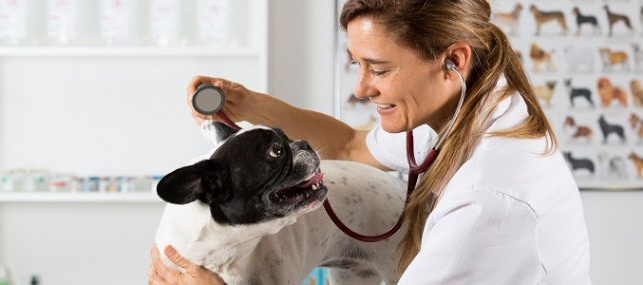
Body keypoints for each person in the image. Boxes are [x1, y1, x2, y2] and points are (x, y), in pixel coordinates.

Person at [149, 0, 591, 284]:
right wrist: (249, 104)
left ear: (453, 61)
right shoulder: (468, 110)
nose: (361, 89)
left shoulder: (488, 201)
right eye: (356, 65)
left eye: (378, 69)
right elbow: (349, 146)